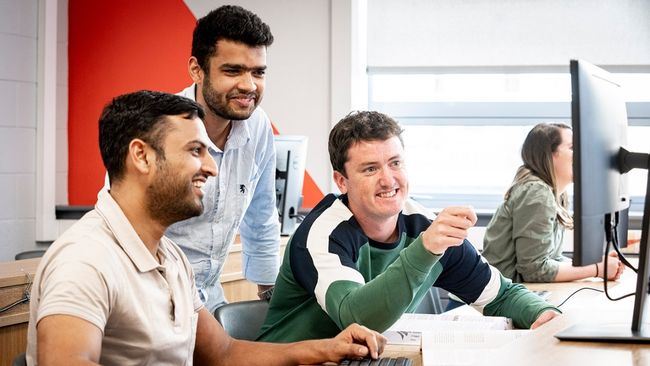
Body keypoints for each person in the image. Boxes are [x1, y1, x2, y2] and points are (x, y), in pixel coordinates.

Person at [26, 91, 385, 365]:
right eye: (196, 151)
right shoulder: (86, 261)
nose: (211, 169)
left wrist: (328, 348)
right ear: (141, 156)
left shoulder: (169, 257)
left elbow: (225, 353)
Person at [256, 111, 560, 343]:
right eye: (370, 169)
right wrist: (426, 249)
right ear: (341, 181)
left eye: (395, 163)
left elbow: (501, 296)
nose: (388, 179)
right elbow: (358, 319)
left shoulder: (423, 225)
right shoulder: (321, 234)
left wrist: (548, 316)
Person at [168, 5, 281, 312]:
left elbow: (262, 215)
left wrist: (273, 302)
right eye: (233, 71)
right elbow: (125, 234)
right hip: (155, 299)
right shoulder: (159, 129)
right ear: (196, 69)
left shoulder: (258, 125)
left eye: (258, 72)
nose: (249, 85)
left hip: (210, 296)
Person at [482, 122, 625, 283]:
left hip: (508, 295)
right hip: (489, 302)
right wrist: (597, 269)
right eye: (572, 147)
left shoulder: (557, 194)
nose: (582, 154)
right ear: (549, 154)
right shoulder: (536, 193)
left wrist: (596, 264)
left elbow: (551, 260)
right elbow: (535, 270)